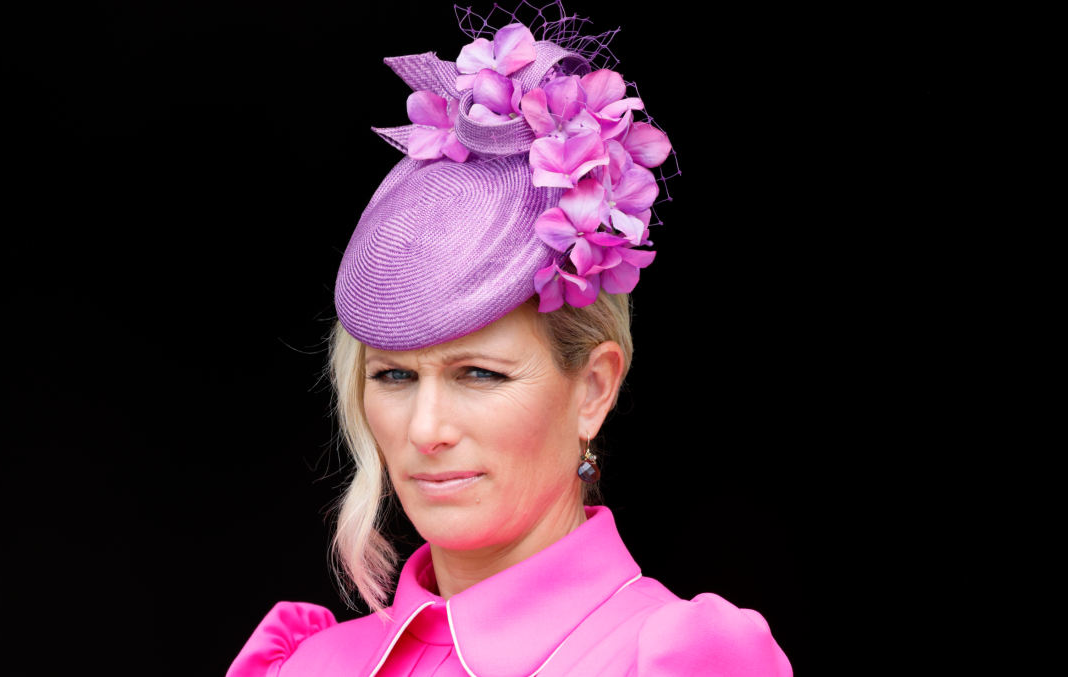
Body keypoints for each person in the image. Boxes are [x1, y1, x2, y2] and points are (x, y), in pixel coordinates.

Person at [228, 9, 792, 676]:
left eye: (479, 374)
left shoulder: (671, 659)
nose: (427, 429)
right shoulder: (311, 665)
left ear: (593, 387)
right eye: (393, 377)